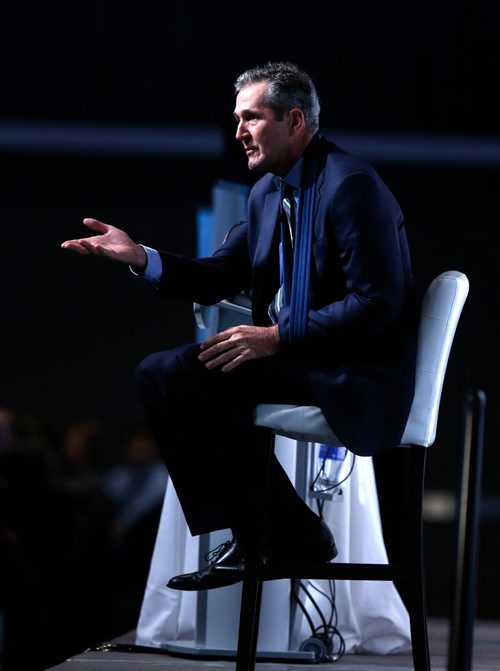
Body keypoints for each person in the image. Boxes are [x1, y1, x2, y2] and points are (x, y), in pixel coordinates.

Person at [61, 61, 418, 591]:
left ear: (295, 121)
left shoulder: (350, 186)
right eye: (236, 120)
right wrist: (142, 257)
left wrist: (275, 337)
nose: (239, 133)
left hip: (355, 370)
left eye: (251, 118)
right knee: (163, 375)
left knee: (186, 377)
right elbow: (219, 275)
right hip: (304, 358)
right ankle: (272, 532)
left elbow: (378, 305)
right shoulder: (268, 193)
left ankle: (276, 533)